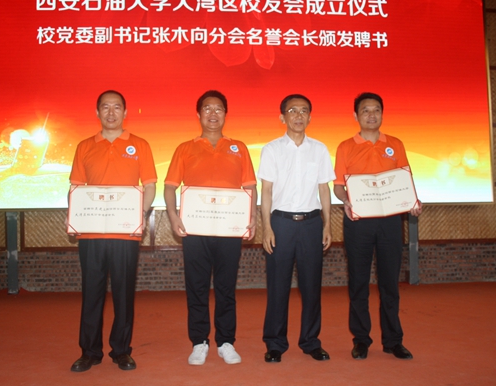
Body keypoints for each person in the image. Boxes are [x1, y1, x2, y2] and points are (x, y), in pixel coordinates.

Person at [164, 90, 257, 366]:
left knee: (226, 287)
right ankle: (199, 342)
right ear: (198, 114)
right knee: (197, 286)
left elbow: (250, 187)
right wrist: (173, 215)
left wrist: (252, 217)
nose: (213, 113)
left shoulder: (239, 148)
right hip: (195, 229)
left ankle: (226, 341)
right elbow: (169, 187)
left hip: (229, 229)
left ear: (226, 114)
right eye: (207, 108)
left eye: (218, 109)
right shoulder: (184, 148)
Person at [68, 90, 157, 372]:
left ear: (125, 112)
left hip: (124, 233)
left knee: (123, 293)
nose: (111, 112)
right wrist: (74, 217)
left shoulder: (140, 145)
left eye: (116, 107)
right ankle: (89, 352)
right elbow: (76, 187)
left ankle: (121, 351)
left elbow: (150, 185)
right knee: (91, 293)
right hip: (91, 234)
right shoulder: (84, 146)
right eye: (105, 107)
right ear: (97, 112)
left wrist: (139, 214)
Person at [333, 92, 422, 361]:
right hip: (358, 221)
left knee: (389, 283)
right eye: (365, 110)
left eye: (376, 110)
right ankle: (361, 340)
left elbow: (404, 179)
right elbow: (338, 186)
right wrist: (346, 200)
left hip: (390, 222)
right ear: (356, 116)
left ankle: (393, 341)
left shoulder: (395, 144)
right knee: (358, 283)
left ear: (382, 114)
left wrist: (412, 201)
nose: (371, 115)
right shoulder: (345, 147)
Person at [259, 94, 334, 363]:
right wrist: (267, 227)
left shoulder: (320, 149)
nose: (298, 115)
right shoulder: (271, 149)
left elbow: (324, 189)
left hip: (312, 224)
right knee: (277, 286)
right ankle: (275, 343)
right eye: (292, 111)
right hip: (280, 223)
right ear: (282, 117)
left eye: (304, 111)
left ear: (310, 117)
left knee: (311, 287)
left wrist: (328, 224)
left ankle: (311, 341)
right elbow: (266, 191)